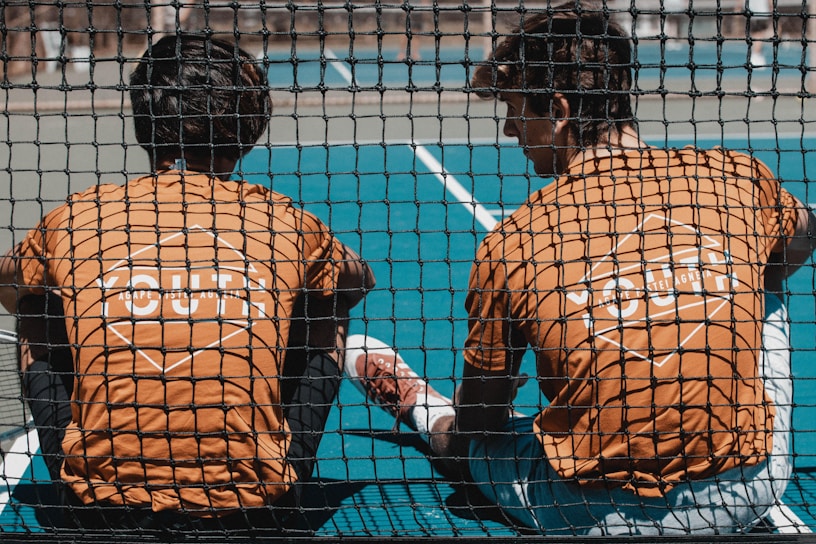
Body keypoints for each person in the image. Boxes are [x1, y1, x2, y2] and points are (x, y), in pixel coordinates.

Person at [344, 3, 815, 535]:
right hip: (751, 486)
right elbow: (803, 238)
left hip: (596, 515)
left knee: (473, 440)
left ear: (560, 109)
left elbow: (482, 416)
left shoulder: (514, 242)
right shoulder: (736, 178)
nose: (507, 129)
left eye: (516, 109)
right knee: (767, 272)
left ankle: (421, 409)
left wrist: (460, 430)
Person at [0, 34, 374, 534]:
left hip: (97, 515)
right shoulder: (286, 220)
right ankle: (256, 448)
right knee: (326, 304)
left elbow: (7, 283)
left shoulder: (76, 216)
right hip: (255, 514)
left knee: (37, 305)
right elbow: (359, 280)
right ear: (247, 128)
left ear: (143, 124)